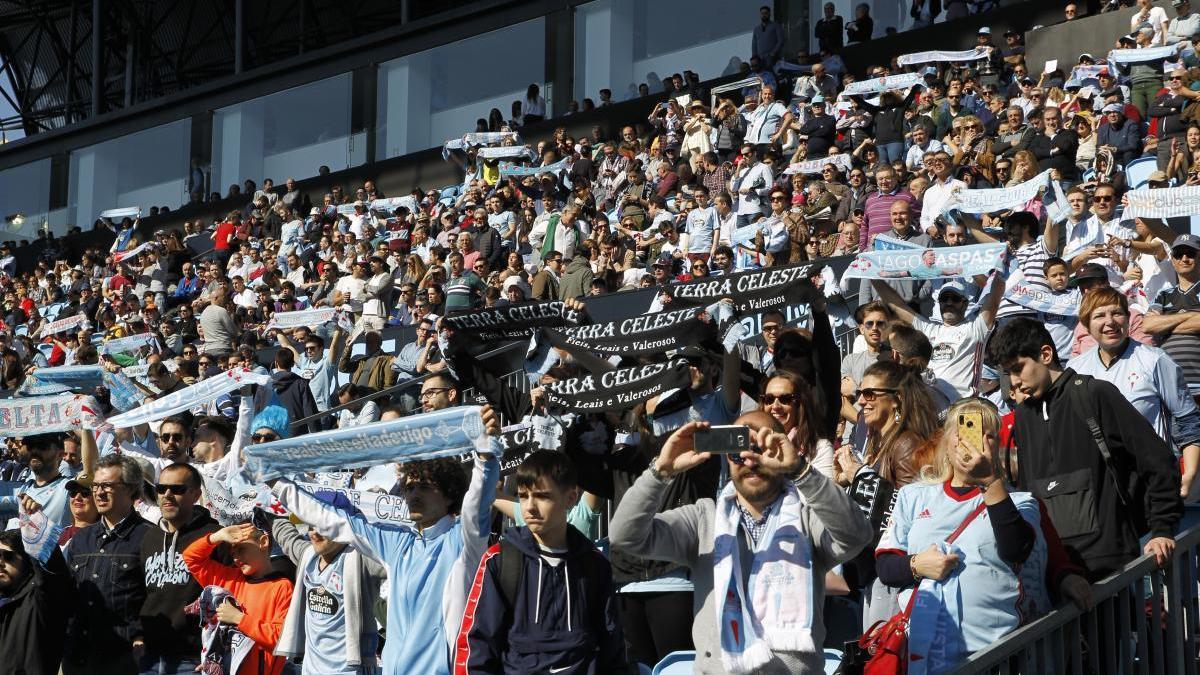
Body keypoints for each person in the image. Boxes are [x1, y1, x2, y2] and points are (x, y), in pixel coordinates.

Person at [609, 412, 872, 674]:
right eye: (737, 448)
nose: (749, 459)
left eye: (761, 448)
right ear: (726, 456)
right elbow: (625, 534)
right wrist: (661, 471)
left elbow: (856, 535)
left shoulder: (806, 518)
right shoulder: (704, 520)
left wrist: (802, 471)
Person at [268, 406, 503, 675]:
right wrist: (276, 484)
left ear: (449, 494)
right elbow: (333, 520)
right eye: (410, 487)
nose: (414, 494)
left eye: (424, 487)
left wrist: (485, 454)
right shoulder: (397, 542)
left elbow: (478, 500)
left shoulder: (463, 539)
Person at [988, 318, 1183, 580]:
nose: (1014, 382)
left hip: (1113, 569)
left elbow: (1157, 460)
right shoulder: (1022, 417)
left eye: (1018, 368)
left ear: (1045, 354)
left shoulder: (1095, 394)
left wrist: (1162, 529)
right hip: (1055, 571)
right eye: (1007, 373)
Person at [874, 398, 1051, 672]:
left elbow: (1017, 550)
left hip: (995, 654)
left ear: (997, 445)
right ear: (946, 442)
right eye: (963, 430)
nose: (972, 440)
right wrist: (917, 565)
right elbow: (886, 567)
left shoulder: (1020, 502)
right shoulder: (914, 495)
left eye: (985, 433)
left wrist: (989, 482)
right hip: (925, 651)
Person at [455, 450, 627, 673]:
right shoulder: (500, 560)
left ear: (571, 498)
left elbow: (613, 647)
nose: (529, 507)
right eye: (523, 496)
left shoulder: (595, 564)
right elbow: (477, 644)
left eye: (542, 496)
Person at [1067, 286, 1200, 497]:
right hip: (1102, 486)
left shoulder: (1154, 359)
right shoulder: (1075, 370)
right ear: (1086, 325)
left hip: (1152, 480)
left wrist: (1190, 473)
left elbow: (1187, 419)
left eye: (1117, 313)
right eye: (1100, 315)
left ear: (1128, 319)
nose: (1110, 322)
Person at [63, 454, 154, 675]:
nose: (99, 492)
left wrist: (140, 635)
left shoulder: (150, 537)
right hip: (78, 655)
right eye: (95, 486)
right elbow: (65, 591)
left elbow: (157, 596)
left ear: (131, 489)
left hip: (124, 658)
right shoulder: (81, 538)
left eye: (107, 486)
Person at [271, 510, 387, 674]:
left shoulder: (363, 559)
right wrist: (266, 509)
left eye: (323, 526)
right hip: (311, 670)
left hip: (351, 670)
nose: (314, 533)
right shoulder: (308, 555)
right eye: (310, 525)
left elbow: (403, 562)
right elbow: (287, 537)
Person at [139, 462, 220, 675]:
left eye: (177, 489)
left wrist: (216, 651)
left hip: (193, 657)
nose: (167, 495)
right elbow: (143, 593)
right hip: (150, 656)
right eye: (161, 488)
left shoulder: (214, 537)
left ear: (195, 494)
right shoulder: (150, 537)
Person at [182, 522, 294, 675]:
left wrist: (239, 619)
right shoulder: (229, 579)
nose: (236, 559)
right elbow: (191, 558)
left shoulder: (282, 587)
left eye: (241, 549)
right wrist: (217, 536)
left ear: (263, 542)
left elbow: (281, 639)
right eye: (233, 554)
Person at [870, 275, 1002, 397]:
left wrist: (1001, 266)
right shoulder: (929, 329)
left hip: (963, 406)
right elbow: (897, 305)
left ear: (965, 303)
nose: (949, 303)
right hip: (932, 405)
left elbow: (995, 299)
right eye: (944, 299)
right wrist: (872, 276)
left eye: (955, 299)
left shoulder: (975, 329)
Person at [0, 526, 73, 675]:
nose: (0, 562)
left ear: (27, 560)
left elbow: (52, 571)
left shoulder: (41, 598)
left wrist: (34, 524)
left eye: (7, 556)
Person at [1146, 233, 1200, 395]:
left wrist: (1165, 324)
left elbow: (1156, 324)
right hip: (1170, 386)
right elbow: (1148, 325)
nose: (1184, 258)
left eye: (1190, 253)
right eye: (1178, 254)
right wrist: (1190, 316)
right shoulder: (1163, 294)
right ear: (1172, 259)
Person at [758, 370, 836, 478]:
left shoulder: (821, 449)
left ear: (800, 405)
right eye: (769, 399)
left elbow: (826, 494)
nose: (775, 406)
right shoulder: (754, 447)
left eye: (785, 399)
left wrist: (796, 466)